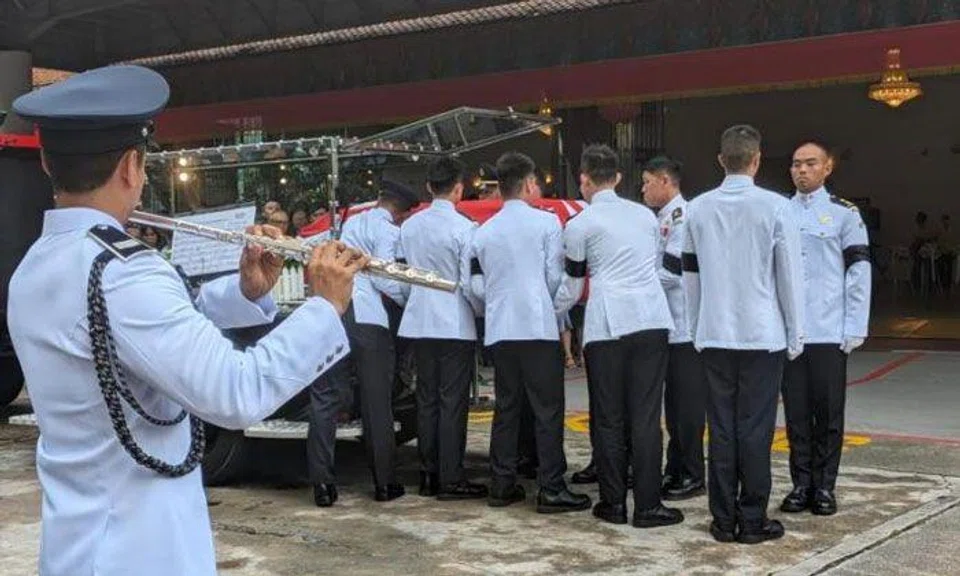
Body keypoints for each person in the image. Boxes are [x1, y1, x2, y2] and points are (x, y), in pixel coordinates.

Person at [7, 64, 366, 576]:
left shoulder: (38, 266)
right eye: (145, 165)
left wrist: (244, 293)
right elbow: (236, 392)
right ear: (132, 166)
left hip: (78, 544)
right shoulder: (123, 274)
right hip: (139, 550)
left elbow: (136, 332)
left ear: (47, 162)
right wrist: (324, 305)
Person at [681, 124, 804, 544]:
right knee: (755, 429)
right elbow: (789, 275)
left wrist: (695, 325)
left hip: (714, 332)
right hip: (761, 333)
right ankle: (753, 519)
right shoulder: (775, 207)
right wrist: (795, 331)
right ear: (756, 159)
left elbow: (690, 276)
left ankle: (722, 519)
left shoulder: (697, 208)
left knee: (720, 428)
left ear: (721, 160)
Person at [555, 144, 681, 529]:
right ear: (619, 177)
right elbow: (659, 265)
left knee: (608, 418)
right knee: (645, 417)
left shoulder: (579, 225)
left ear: (584, 179)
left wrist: (547, 311)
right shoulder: (645, 216)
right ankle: (648, 506)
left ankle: (612, 503)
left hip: (606, 325)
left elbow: (574, 288)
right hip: (650, 319)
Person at [468, 152, 591, 513]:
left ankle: (502, 484)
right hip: (537, 326)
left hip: (500, 329)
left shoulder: (483, 232)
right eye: (536, 182)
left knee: (507, 408)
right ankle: (551, 486)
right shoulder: (547, 224)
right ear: (526, 185)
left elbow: (475, 284)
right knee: (547, 409)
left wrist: (499, 302)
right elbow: (555, 277)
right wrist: (545, 303)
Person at [306, 179, 415, 504]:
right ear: (401, 212)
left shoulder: (353, 221)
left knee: (324, 398)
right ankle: (384, 483)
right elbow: (387, 277)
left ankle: (322, 486)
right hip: (369, 320)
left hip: (334, 313)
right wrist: (408, 299)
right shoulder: (390, 232)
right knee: (376, 402)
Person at [781, 141, 871, 516]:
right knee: (796, 414)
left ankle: (825, 486)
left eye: (810, 163)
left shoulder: (844, 215)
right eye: (796, 164)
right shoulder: (779, 212)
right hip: (792, 331)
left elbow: (859, 271)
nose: (802, 170)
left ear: (827, 167)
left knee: (829, 413)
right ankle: (801, 484)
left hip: (829, 327)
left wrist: (854, 325)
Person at [397, 157, 487, 500]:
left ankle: (428, 474)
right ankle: (451, 477)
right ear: (459, 189)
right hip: (454, 319)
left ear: (428, 188)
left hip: (419, 319)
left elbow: (402, 277)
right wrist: (478, 313)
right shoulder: (465, 228)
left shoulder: (410, 227)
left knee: (427, 400)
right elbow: (468, 282)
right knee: (453, 402)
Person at [640, 155, 707, 501]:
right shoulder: (663, 218)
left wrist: (636, 281)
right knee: (673, 406)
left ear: (666, 181)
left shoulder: (682, 217)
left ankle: (692, 473)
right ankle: (675, 467)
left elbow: (672, 271)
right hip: (667, 324)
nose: (643, 190)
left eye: (647, 182)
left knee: (687, 407)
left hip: (685, 326)